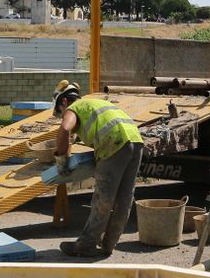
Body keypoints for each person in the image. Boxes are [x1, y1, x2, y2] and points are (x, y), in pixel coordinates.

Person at [52, 80, 145, 258]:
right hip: (135, 141)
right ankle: (108, 244)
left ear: (64, 102)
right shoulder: (96, 103)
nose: (62, 114)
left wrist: (62, 160)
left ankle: (86, 245)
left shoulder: (74, 108)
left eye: (59, 111)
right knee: (124, 198)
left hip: (114, 142)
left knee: (104, 198)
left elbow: (64, 129)